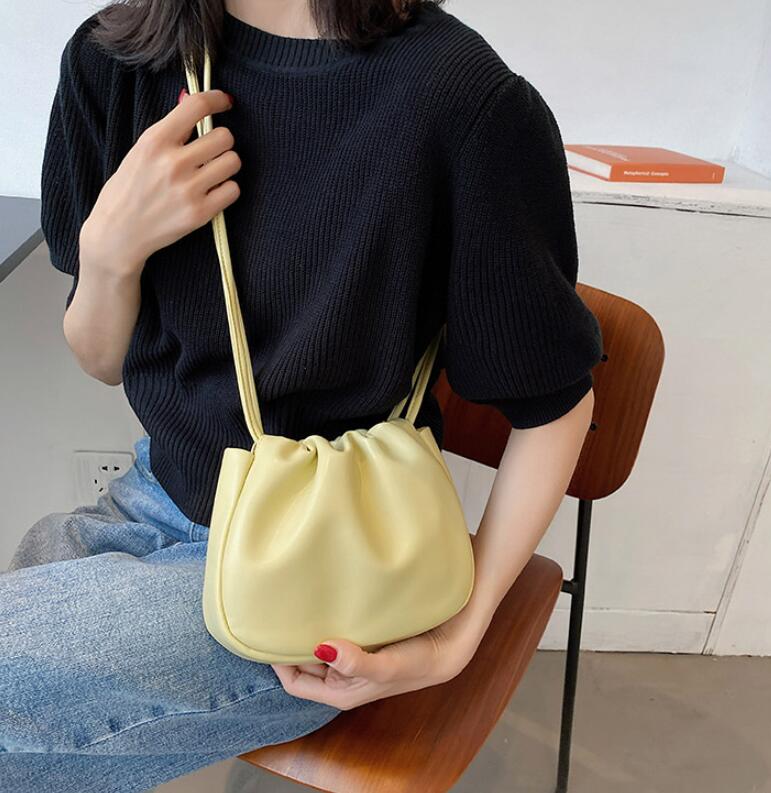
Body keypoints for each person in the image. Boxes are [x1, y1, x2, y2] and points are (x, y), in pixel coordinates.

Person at [0, 0, 603, 790]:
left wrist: (458, 633)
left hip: (334, 563)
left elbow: (554, 403)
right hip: (149, 499)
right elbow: (101, 359)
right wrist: (111, 254)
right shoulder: (115, 59)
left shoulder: (462, 100)